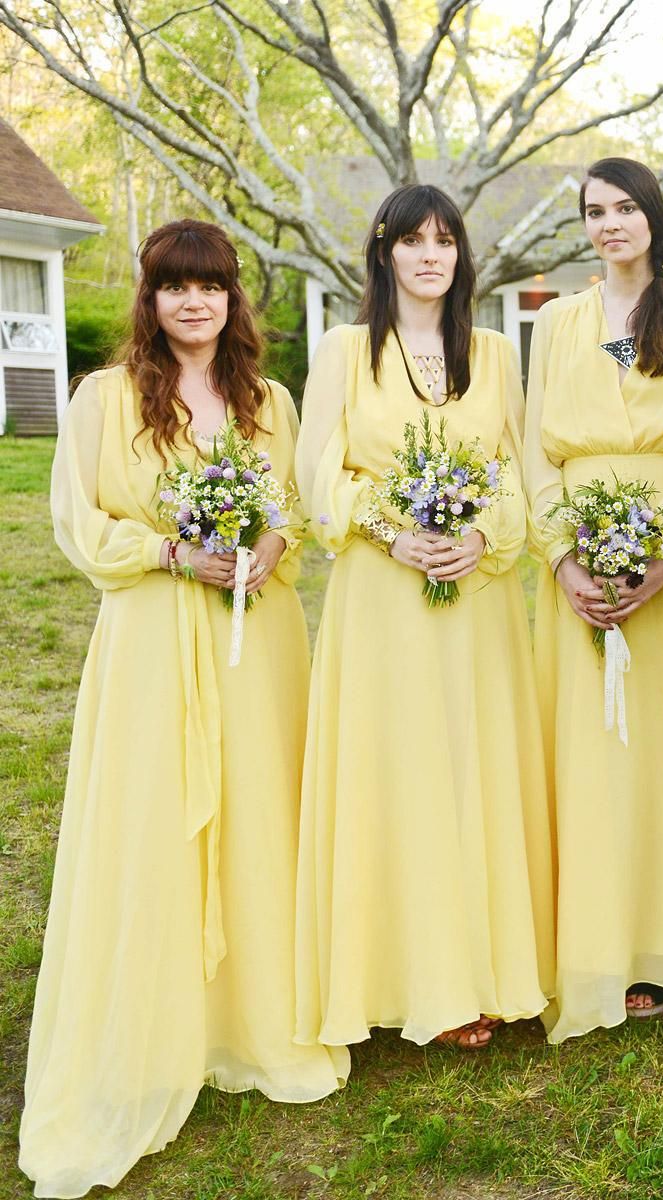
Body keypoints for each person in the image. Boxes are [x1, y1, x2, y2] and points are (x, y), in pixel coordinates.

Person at [24, 220, 347, 1197]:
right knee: (154, 820)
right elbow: (81, 523)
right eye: (175, 287)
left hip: (258, 638)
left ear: (233, 297)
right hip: (155, 637)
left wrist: (270, 547)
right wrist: (173, 553)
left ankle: (254, 1020)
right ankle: (156, 1025)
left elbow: (293, 506)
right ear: (151, 298)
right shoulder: (104, 397)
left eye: (210, 286)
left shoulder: (270, 401)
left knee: (258, 813)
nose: (194, 303)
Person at [294, 184, 553, 1053]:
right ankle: (412, 979)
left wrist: (480, 536)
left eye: (445, 241)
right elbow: (318, 472)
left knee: (474, 769)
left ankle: (485, 969)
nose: (430, 255)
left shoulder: (494, 352)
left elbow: (515, 470)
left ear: (461, 255)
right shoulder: (344, 350)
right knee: (399, 771)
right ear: (385, 252)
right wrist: (391, 533)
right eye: (413, 241)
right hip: (382, 595)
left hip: (477, 600)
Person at [524, 157, 663, 1036]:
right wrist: (565, 557)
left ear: (653, 218)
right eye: (595, 211)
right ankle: (592, 938)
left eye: (625, 208)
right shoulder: (557, 322)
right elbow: (534, 450)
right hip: (577, 560)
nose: (610, 224)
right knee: (591, 754)